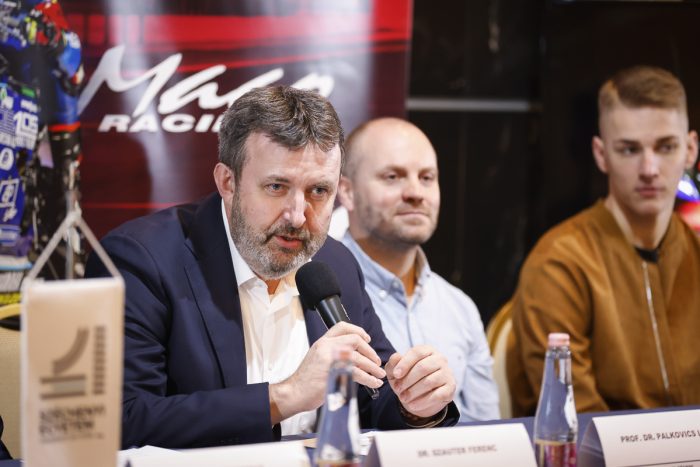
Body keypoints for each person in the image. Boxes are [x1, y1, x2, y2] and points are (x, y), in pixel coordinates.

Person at [85, 86, 459, 449]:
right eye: (277, 187)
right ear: (228, 182)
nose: (298, 216)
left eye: (318, 191)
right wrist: (285, 396)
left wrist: (416, 404)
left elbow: (373, 398)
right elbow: (123, 420)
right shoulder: (142, 260)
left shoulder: (335, 263)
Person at [506, 66, 700, 416]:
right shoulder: (559, 263)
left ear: (690, 149)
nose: (650, 169)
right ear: (601, 154)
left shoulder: (695, 251)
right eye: (629, 150)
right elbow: (577, 420)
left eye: (666, 147)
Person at [335, 117, 499, 422]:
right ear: (347, 191)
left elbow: (488, 430)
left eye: (427, 177)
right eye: (392, 176)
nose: (415, 192)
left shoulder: (459, 307)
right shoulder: (318, 298)